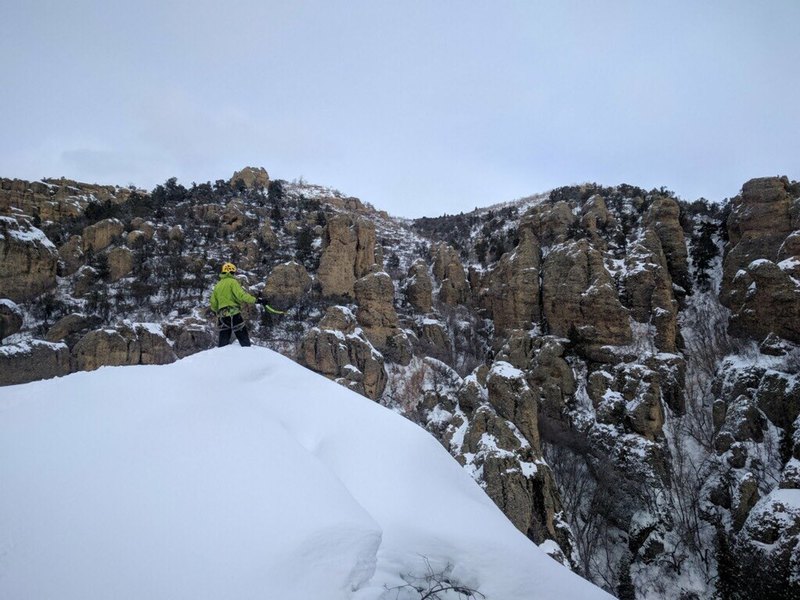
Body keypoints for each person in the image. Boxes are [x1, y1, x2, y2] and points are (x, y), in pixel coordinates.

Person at [209, 262, 261, 347]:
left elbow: (213, 303)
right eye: (234, 272)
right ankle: (249, 355)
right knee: (244, 339)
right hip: (234, 314)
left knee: (223, 342)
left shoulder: (217, 285)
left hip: (222, 316)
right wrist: (255, 300)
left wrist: (217, 311)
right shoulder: (233, 282)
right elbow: (241, 295)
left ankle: (221, 358)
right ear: (231, 272)